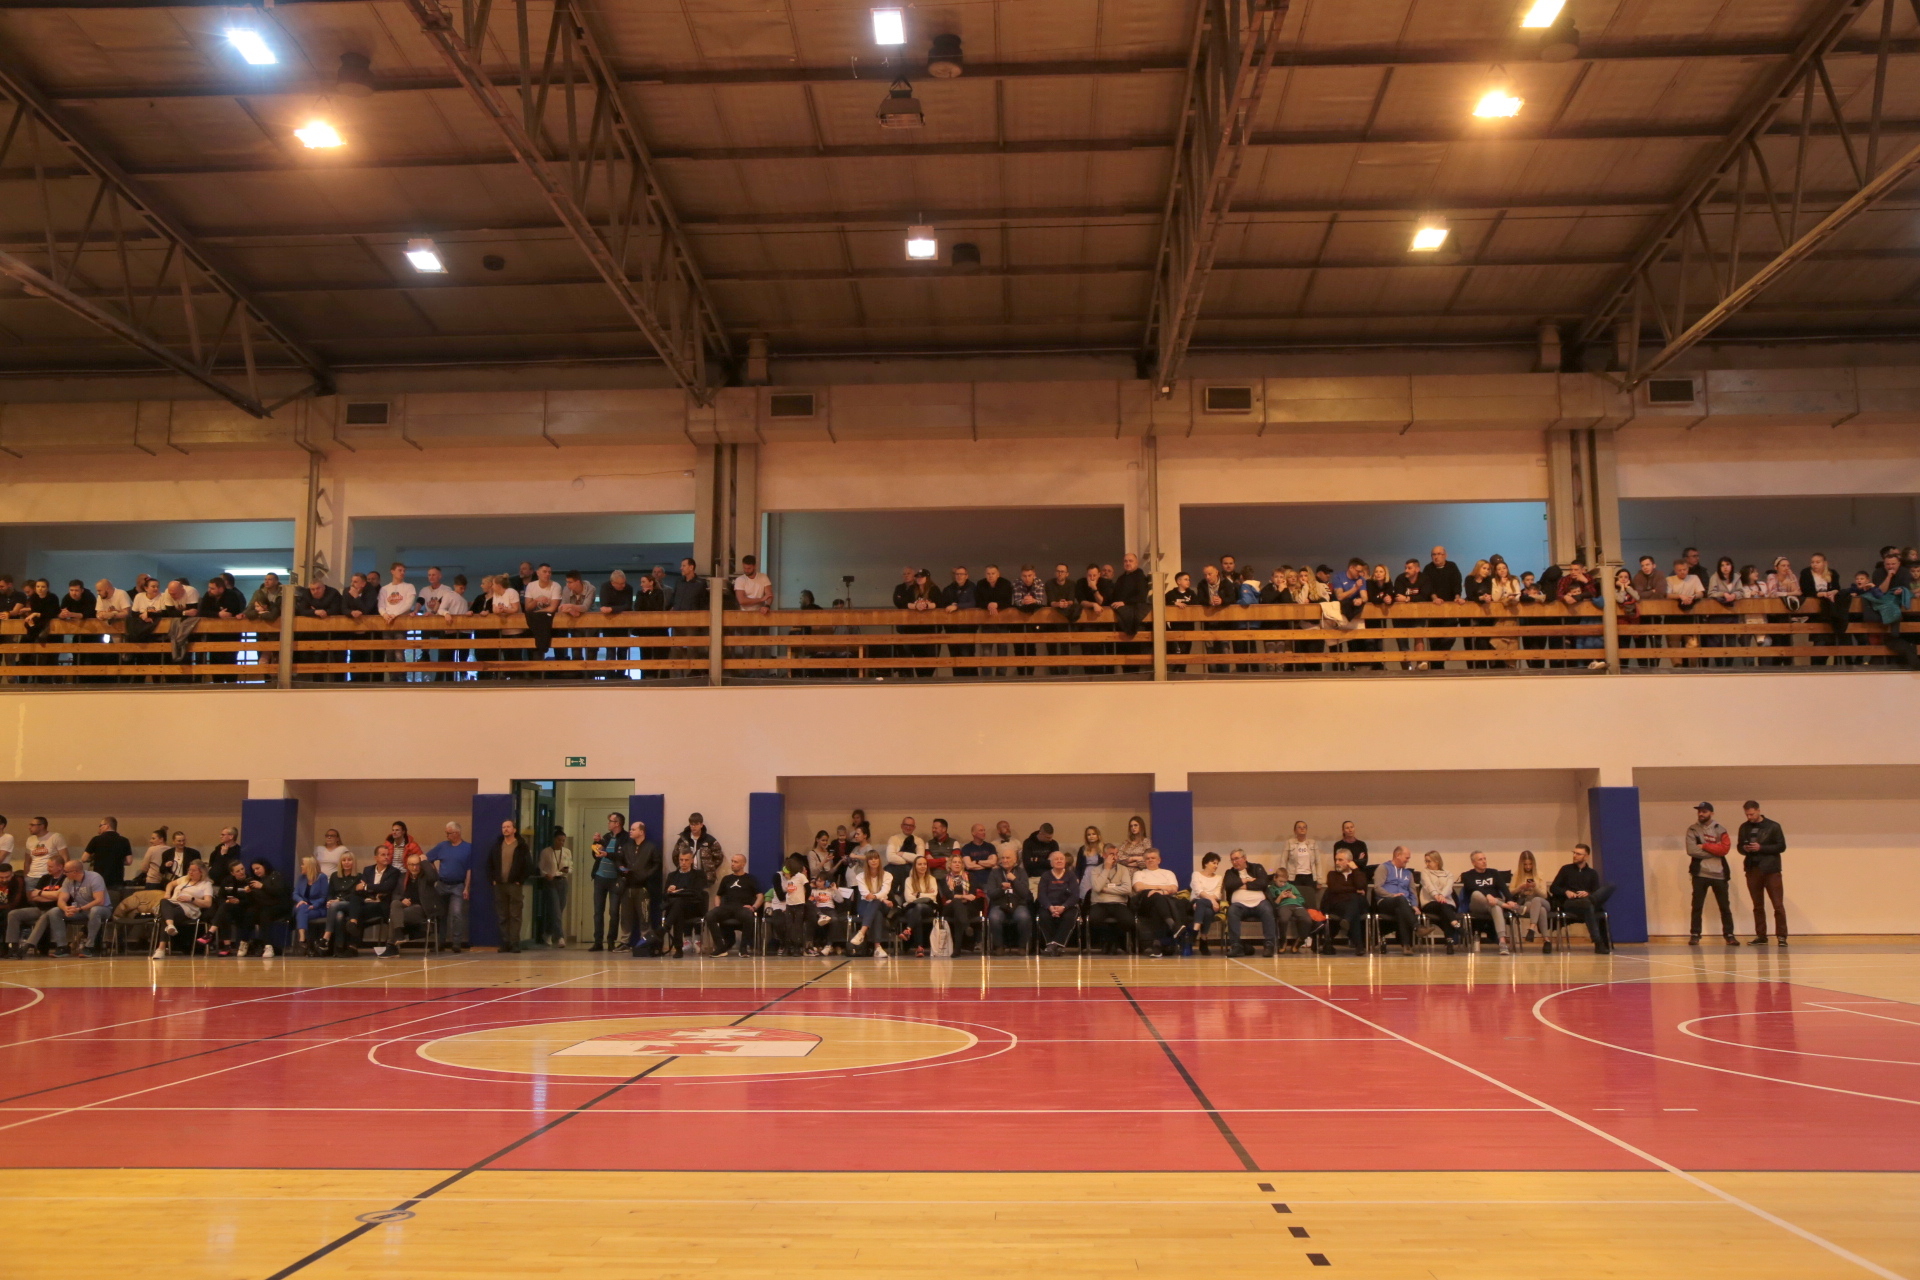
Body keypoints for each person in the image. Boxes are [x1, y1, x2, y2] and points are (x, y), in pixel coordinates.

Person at [1683, 802, 1739, 946]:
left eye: (1704, 811)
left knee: (1724, 907)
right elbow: (1692, 850)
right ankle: (1695, 934)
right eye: (1699, 811)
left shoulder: (1720, 829)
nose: (1701, 814)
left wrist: (1705, 846)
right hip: (1700, 874)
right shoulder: (1692, 829)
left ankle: (1729, 935)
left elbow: (1724, 849)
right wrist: (1715, 851)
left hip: (1719, 874)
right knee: (1697, 906)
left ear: (1711, 813)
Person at [34, 855, 110, 957]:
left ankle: (90, 946)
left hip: (102, 909)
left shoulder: (95, 878)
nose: (64, 874)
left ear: (75, 872)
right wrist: (66, 908)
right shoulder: (68, 880)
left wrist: (80, 908)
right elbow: (61, 900)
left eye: (66, 871)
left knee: (95, 910)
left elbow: (99, 901)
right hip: (80, 910)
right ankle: (62, 946)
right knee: (54, 911)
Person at [1737, 800, 1788, 946]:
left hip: (1771, 869)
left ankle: (1782, 936)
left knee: (1777, 904)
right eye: (1747, 815)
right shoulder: (1744, 827)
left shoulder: (1773, 826)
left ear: (1758, 811)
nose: (1749, 817)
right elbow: (1739, 846)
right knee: (1757, 905)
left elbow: (1781, 846)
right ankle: (1761, 935)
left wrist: (1761, 848)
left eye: (1752, 814)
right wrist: (1745, 849)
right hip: (1752, 869)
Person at [1549, 843, 1613, 954]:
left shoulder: (1592, 873)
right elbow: (1553, 887)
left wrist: (1588, 893)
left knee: (1609, 888)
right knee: (1590, 905)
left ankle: (1590, 900)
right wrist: (1566, 892)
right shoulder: (1566, 869)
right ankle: (1598, 943)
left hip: (1586, 902)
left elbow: (1596, 890)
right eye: (1574, 853)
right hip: (1570, 902)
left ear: (1586, 856)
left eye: (1578, 854)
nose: (1575, 855)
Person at [486, 818, 534, 953]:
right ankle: (505, 942)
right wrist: (493, 879)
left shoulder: (521, 846)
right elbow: (489, 864)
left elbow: (528, 866)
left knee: (515, 915)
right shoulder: (497, 845)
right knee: (502, 915)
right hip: (499, 885)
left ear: (514, 829)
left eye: (508, 827)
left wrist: (520, 880)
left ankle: (514, 942)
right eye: (503, 827)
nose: (505, 829)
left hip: (514, 885)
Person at [150, 860, 213, 957]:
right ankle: (170, 926)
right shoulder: (185, 879)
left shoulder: (206, 884)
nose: (190, 872)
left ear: (201, 872)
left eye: (194, 870)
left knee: (165, 917)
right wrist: (167, 893)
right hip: (172, 905)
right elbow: (170, 884)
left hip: (188, 910)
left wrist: (192, 899)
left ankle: (161, 948)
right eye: (189, 870)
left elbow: (208, 903)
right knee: (164, 901)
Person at [425, 822, 472, 952]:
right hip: (442, 884)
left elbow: (469, 869)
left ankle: (456, 943)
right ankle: (440, 942)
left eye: (449, 833)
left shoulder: (468, 848)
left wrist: (467, 887)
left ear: (457, 833)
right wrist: (435, 872)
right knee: (440, 914)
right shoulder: (442, 846)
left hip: (458, 885)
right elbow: (428, 858)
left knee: (456, 914)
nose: (447, 836)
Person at [618, 819, 662, 957]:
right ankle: (624, 942)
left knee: (645, 916)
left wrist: (645, 875)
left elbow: (657, 864)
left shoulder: (651, 847)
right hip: (628, 886)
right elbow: (619, 860)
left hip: (643, 887)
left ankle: (645, 941)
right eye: (630, 829)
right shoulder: (626, 847)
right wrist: (622, 869)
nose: (630, 831)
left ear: (641, 832)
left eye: (633, 829)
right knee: (625, 916)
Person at [1223, 849, 1277, 957]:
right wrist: (1246, 880)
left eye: (1237, 859)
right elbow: (1228, 884)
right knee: (1232, 910)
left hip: (1260, 903)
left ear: (1244, 858)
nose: (1234, 862)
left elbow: (1263, 882)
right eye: (1232, 860)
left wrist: (1244, 886)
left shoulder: (1257, 868)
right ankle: (1236, 946)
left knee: (1267, 909)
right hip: (1239, 905)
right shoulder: (1230, 872)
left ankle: (1269, 944)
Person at [1458, 851, 1515, 955]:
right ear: (1473, 863)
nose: (1484, 861)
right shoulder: (1467, 875)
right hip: (1477, 905)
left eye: (1484, 859)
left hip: (1493, 904)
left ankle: (1502, 942)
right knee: (1476, 894)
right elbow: (1472, 887)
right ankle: (1502, 905)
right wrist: (1487, 895)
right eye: (1480, 859)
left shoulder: (1493, 873)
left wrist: (1510, 899)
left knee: (1496, 907)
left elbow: (1503, 887)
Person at [1129, 849, 1183, 955]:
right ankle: (1172, 925)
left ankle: (1156, 945)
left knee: (1157, 906)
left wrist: (1157, 891)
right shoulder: (1139, 873)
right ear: (1144, 861)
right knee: (1157, 897)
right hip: (1144, 902)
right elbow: (1138, 887)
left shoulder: (1168, 873)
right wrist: (1161, 889)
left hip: (1162, 902)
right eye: (1147, 858)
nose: (1150, 860)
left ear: (1159, 860)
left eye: (1153, 858)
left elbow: (1174, 888)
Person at [1318, 848, 1369, 955]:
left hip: (1355, 905)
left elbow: (1361, 886)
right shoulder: (1332, 874)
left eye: (1340, 860)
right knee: (1354, 905)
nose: (1337, 862)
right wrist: (1354, 890)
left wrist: (1355, 870)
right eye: (1336, 860)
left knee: (1354, 902)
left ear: (1349, 861)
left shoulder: (1359, 874)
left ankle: (1347, 920)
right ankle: (1359, 946)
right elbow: (1334, 888)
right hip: (1339, 906)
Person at [983, 849, 1033, 955]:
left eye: (1008, 858)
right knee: (994, 917)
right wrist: (1001, 889)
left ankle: (1022, 946)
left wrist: (1014, 880)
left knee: (1024, 917)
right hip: (999, 904)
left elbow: (1024, 893)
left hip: (1018, 904)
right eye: (1003, 858)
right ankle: (999, 946)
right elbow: (991, 893)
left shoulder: (1021, 872)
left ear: (1015, 860)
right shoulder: (995, 872)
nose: (1005, 860)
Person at [1088, 844, 1134, 955]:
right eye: (1111, 854)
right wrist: (1107, 869)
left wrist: (1106, 889)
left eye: (1116, 854)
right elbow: (1097, 887)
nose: (1115, 857)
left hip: (1119, 903)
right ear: (1104, 855)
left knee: (1128, 921)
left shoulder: (1123, 869)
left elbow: (1127, 889)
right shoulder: (1095, 870)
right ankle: (1107, 941)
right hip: (1100, 903)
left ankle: (1114, 942)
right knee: (1093, 919)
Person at [1372, 847, 1420, 954]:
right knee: (1400, 899)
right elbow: (1377, 888)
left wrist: (1415, 905)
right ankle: (1416, 927)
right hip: (1386, 901)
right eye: (1406, 858)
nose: (1408, 860)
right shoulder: (1383, 868)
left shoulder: (1408, 873)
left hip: (1403, 905)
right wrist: (1392, 895)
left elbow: (1413, 891)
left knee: (1401, 909)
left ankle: (1406, 946)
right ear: (1398, 855)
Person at [389, 851, 438, 950]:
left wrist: (424, 862)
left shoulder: (425, 877)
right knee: (395, 903)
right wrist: (402, 899)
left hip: (422, 909)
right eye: (412, 865)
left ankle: (391, 947)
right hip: (406, 907)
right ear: (407, 865)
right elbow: (395, 894)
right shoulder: (403, 877)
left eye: (417, 864)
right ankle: (398, 935)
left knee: (394, 917)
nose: (415, 867)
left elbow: (434, 877)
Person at [661, 849, 707, 955]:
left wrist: (679, 891)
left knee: (678, 904)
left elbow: (696, 892)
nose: (683, 863)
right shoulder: (672, 875)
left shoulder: (699, 874)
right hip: (677, 909)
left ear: (691, 861)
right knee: (678, 907)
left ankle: (667, 929)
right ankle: (678, 949)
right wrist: (668, 891)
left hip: (693, 907)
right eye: (681, 860)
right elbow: (664, 896)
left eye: (686, 860)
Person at [849, 851, 894, 958]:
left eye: (876, 858)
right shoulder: (860, 876)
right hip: (865, 905)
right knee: (877, 913)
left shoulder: (887, 875)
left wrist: (879, 898)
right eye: (870, 859)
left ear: (879, 860)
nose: (873, 861)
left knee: (876, 902)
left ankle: (861, 933)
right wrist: (882, 899)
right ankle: (877, 947)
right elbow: (865, 894)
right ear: (867, 861)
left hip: (883, 905)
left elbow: (884, 891)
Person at [1035, 849, 1080, 955]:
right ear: (1051, 863)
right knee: (1044, 916)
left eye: (1061, 859)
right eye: (1056, 859)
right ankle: (1053, 945)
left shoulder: (1071, 875)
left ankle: (1054, 945)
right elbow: (1042, 895)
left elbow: (1075, 895)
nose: (1059, 861)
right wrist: (1050, 907)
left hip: (1067, 906)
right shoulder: (1045, 876)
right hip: (1049, 906)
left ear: (1065, 862)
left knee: (1069, 917)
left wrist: (1063, 907)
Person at [673, 813, 726, 901]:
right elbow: (675, 856)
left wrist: (710, 867)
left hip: (704, 877)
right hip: (686, 875)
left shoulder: (710, 840)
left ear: (701, 825)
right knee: (684, 900)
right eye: (691, 824)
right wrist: (683, 866)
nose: (693, 827)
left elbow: (718, 857)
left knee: (702, 899)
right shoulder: (683, 840)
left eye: (696, 824)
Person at [899, 855, 944, 956]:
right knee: (917, 913)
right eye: (920, 864)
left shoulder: (931, 879)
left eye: (924, 864)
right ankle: (919, 948)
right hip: (911, 907)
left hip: (928, 908)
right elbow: (908, 898)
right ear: (915, 866)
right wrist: (926, 894)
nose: (923, 866)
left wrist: (918, 894)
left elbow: (933, 896)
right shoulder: (909, 880)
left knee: (918, 907)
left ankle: (908, 930)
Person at [1417, 851, 1463, 952]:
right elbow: (1428, 886)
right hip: (1430, 902)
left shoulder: (1448, 874)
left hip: (1445, 901)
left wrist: (1442, 895)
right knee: (1444, 908)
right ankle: (1455, 926)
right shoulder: (1425, 872)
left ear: (1437, 861)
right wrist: (1436, 895)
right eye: (1426, 861)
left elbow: (1449, 888)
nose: (1427, 864)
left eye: (1429, 861)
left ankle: (1449, 941)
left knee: (1444, 910)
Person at [1508, 850, 1553, 952]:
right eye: (1525, 864)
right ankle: (1546, 940)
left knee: (1537, 900)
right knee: (1540, 910)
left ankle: (1532, 927)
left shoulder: (1540, 874)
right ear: (1521, 865)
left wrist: (1535, 888)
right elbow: (1510, 892)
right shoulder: (1517, 875)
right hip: (1528, 903)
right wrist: (1520, 888)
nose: (1528, 867)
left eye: (1530, 864)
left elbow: (1544, 895)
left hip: (1543, 901)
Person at [536, 828, 573, 948]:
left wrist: (566, 870)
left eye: (563, 841)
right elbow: (541, 868)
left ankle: (547, 932)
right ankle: (560, 937)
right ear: (554, 839)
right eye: (559, 840)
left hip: (563, 881)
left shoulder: (567, 852)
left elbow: (571, 867)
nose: (561, 843)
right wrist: (546, 874)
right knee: (556, 910)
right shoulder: (546, 852)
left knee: (558, 910)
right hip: (551, 882)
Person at [84, 816, 132, 903]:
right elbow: (129, 861)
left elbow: (84, 858)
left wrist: (95, 858)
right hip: (117, 879)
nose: (99, 827)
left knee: (99, 904)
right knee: (115, 904)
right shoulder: (124, 840)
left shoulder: (96, 839)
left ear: (107, 826)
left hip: (99, 879)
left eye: (100, 825)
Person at [942, 854, 984, 953]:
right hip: (950, 908)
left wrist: (955, 897)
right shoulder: (944, 879)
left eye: (959, 862)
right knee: (957, 905)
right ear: (950, 865)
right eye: (954, 862)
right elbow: (948, 895)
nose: (957, 864)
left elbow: (972, 895)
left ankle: (957, 950)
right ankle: (966, 926)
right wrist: (964, 897)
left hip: (968, 907)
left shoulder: (970, 876)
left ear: (962, 865)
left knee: (958, 910)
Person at [293, 855, 330, 955]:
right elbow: (295, 893)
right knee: (302, 908)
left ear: (309, 866)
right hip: (302, 907)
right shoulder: (301, 878)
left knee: (302, 913)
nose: (301, 866)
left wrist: (315, 905)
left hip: (317, 908)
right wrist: (300, 900)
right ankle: (303, 938)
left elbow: (324, 896)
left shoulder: (322, 877)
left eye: (303, 864)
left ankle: (303, 941)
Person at [1188, 852, 1225, 954]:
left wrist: (1211, 900)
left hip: (1207, 903)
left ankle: (1195, 931)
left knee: (1203, 904)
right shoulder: (1196, 874)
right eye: (1214, 863)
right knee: (1207, 911)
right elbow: (1198, 891)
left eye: (1217, 863)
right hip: (1197, 901)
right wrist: (1212, 901)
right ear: (1205, 863)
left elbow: (1217, 894)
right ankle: (1203, 939)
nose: (1216, 866)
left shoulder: (1219, 878)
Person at [1281, 820, 1319, 906]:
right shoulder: (1289, 843)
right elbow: (1283, 860)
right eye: (1299, 827)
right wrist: (1283, 878)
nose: (1302, 829)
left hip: (1309, 876)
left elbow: (1318, 862)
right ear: (1295, 830)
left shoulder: (1312, 843)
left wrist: (1319, 879)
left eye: (1304, 827)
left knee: (1309, 900)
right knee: (1295, 899)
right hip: (1294, 877)